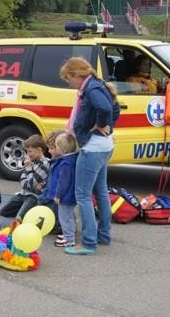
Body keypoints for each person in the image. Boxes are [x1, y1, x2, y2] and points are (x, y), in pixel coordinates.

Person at [60, 57, 120, 255]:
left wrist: (97, 126)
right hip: (105, 146)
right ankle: (103, 235)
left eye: (68, 79)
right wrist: (107, 125)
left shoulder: (91, 89)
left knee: (83, 196)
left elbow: (104, 109)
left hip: (93, 148)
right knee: (101, 192)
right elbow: (115, 108)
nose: (69, 84)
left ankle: (88, 242)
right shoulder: (100, 84)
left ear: (78, 75)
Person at [0, 134, 50, 222]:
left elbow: (31, 184)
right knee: (4, 212)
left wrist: (29, 168)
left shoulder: (45, 164)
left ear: (39, 150)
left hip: (33, 196)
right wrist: (28, 172)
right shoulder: (31, 161)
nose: (27, 154)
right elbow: (22, 182)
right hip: (23, 193)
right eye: (27, 152)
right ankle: (26, 212)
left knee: (19, 218)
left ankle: (29, 213)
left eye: (30, 151)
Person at [45, 132, 78, 247]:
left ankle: (69, 239)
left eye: (56, 146)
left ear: (62, 149)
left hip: (65, 196)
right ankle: (68, 234)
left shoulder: (65, 163)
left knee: (64, 217)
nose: (55, 148)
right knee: (68, 216)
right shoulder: (71, 159)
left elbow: (63, 182)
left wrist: (58, 195)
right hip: (70, 195)